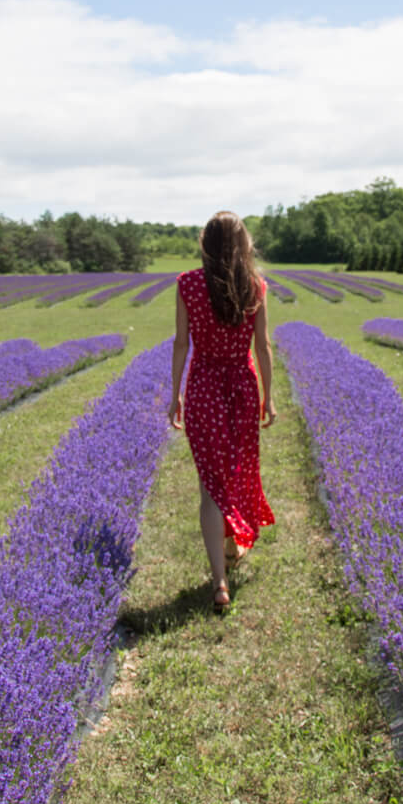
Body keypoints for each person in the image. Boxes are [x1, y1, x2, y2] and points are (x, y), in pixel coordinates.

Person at [168, 211, 276, 613]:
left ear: (206, 244)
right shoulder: (256, 286)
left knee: (210, 485)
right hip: (242, 389)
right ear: (243, 244)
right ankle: (232, 547)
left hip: (203, 390)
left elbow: (181, 344)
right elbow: (262, 347)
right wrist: (269, 395)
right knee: (235, 472)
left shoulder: (187, 284)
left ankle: (219, 581)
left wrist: (175, 393)